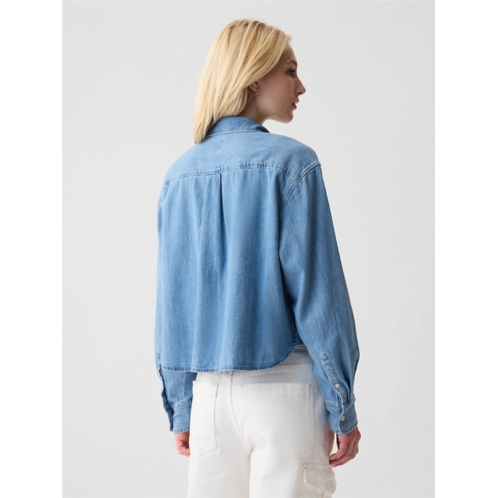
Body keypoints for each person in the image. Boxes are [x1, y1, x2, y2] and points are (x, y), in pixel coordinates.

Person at [154, 18, 361, 498]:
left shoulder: (178, 176)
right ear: (252, 78)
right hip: (285, 394)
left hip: (209, 399)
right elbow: (319, 297)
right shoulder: (292, 164)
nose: (300, 86)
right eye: (290, 71)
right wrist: (342, 403)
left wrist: (182, 405)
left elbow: (173, 304)